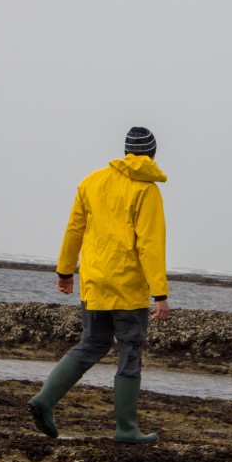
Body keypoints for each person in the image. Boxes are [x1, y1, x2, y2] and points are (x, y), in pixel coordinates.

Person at [28, 126, 170, 443]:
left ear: (125, 152)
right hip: (128, 286)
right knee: (130, 350)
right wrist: (160, 292)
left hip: (94, 281)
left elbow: (73, 231)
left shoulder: (92, 181)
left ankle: (45, 400)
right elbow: (150, 245)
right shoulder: (147, 191)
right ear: (152, 153)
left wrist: (65, 272)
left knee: (92, 344)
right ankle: (126, 429)